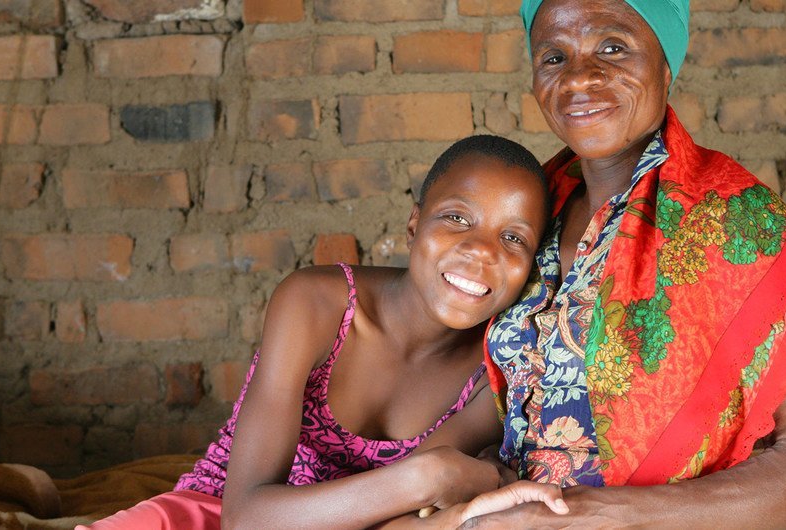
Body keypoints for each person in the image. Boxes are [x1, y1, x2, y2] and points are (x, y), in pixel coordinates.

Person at [451, 0, 786, 527]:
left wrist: (592, 516)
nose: (579, 78)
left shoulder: (738, 222)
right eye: (553, 57)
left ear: (665, 65)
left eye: (612, 48)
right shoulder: (529, 211)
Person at [81, 135, 560, 530]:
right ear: (414, 224)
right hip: (212, 516)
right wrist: (427, 476)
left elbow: (405, 522)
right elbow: (244, 517)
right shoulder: (317, 304)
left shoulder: (495, 370)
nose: (481, 251)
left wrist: (444, 496)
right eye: (457, 218)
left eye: (513, 237)